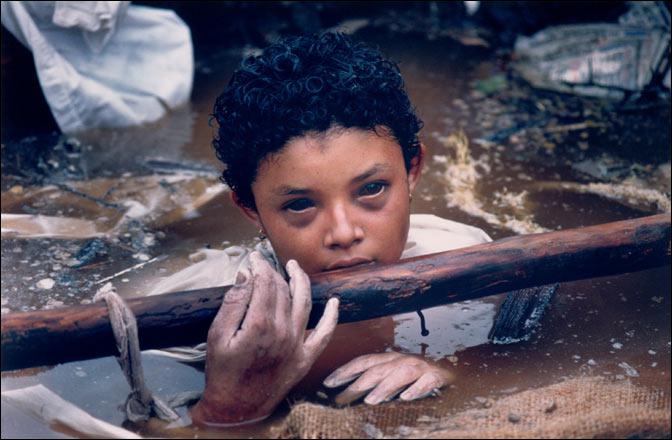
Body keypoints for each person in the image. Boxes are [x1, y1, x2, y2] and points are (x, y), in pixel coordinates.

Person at [157, 32, 492, 426]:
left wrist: (451, 370)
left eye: (371, 189)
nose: (344, 233)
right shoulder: (185, 326)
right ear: (250, 207)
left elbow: (520, 357)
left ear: (412, 170)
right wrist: (226, 408)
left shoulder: (468, 262)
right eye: (300, 205)